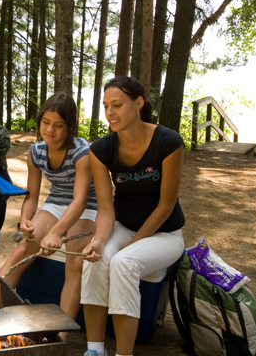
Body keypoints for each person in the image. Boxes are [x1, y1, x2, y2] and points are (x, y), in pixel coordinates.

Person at [80, 77, 186, 356]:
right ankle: (95, 349)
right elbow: (105, 208)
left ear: (138, 104)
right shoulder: (101, 149)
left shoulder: (168, 142)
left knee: (124, 262)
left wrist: (133, 243)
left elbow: (166, 205)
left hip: (165, 233)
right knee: (95, 258)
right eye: (105, 106)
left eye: (117, 105)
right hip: (123, 225)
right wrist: (100, 241)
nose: (110, 113)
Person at [0, 92, 96, 340]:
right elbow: (33, 196)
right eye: (46, 123)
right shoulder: (35, 152)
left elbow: (80, 201)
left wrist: (57, 232)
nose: (50, 130)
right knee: (21, 249)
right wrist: (26, 220)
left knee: (74, 263)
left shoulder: (82, 152)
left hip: (89, 206)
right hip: (56, 202)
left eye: (59, 126)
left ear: (70, 128)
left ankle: (60, 337)